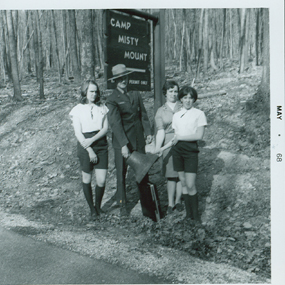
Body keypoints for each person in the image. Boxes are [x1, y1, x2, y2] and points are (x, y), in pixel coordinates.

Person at [106, 64, 153, 216]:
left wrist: (148, 132)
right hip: (122, 143)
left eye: (124, 77)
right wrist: (124, 145)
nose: (123, 81)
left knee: (143, 172)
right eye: (119, 79)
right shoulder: (112, 99)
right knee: (121, 174)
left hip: (139, 140)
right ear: (115, 81)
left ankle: (148, 209)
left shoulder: (135, 93)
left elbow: (143, 115)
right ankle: (123, 208)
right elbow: (115, 124)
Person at [69, 80, 109, 221]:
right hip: (85, 145)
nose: (94, 94)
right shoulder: (77, 110)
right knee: (86, 178)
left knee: (101, 180)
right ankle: (92, 209)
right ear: (85, 91)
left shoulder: (102, 107)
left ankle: (98, 206)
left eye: (96, 91)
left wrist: (93, 141)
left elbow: (105, 129)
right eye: (91, 91)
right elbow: (78, 133)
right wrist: (90, 149)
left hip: (101, 144)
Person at [171, 86, 207, 222]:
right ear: (181, 99)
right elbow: (176, 135)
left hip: (191, 150)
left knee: (191, 184)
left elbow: (199, 135)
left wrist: (180, 138)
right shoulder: (176, 115)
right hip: (177, 150)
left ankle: (196, 217)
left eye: (190, 98)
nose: (187, 100)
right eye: (185, 97)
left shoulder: (199, 114)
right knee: (184, 183)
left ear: (194, 99)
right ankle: (188, 215)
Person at [154, 80, 183, 215]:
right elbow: (160, 131)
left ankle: (178, 201)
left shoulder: (183, 107)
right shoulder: (161, 111)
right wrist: (158, 148)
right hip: (168, 142)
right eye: (170, 91)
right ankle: (170, 203)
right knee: (171, 175)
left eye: (176, 91)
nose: (173, 94)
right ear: (165, 93)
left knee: (180, 173)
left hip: (182, 141)